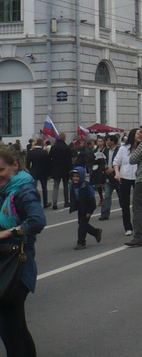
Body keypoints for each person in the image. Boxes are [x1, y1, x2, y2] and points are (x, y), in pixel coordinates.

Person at [0, 145, 46, 357]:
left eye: (1, 169)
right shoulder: (6, 190)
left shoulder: (23, 190)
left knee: (10, 333)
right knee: (17, 328)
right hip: (8, 264)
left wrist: (10, 232)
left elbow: (37, 220)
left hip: (18, 266)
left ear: (15, 165)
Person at [68, 166, 101, 250]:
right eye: (74, 176)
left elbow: (92, 201)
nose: (75, 178)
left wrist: (89, 212)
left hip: (87, 208)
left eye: (77, 176)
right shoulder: (73, 186)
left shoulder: (87, 186)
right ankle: (96, 232)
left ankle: (81, 242)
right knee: (82, 223)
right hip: (80, 208)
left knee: (82, 225)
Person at [113, 129, 139, 237]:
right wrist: (117, 173)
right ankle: (128, 227)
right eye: (138, 134)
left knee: (139, 201)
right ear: (133, 136)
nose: (140, 135)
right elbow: (116, 162)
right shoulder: (123, 149)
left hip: (138, 177)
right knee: (125, 203)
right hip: (125, 176)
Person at [98, 134, 120, 221]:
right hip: (108, 176)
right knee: (107, 195)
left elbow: (121, 162)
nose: (106, 142)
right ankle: (104, 214)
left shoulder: (119, 150)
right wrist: (104, 166)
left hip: (117, 175)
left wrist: (113, 170)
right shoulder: (106, 150)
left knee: (121, 195)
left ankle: (125, 211)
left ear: (113, 142)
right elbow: (102, 161)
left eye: (108, 140)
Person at [48, 132, 72, 209]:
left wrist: (51, 168)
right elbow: (69, 160)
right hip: (65, 169)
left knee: (56, 186)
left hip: (56, 169)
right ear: (64, 138)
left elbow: (50, 159)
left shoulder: (53, 147)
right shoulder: (67, 147)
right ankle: (66, 202)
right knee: (66, 186)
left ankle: (54, 203)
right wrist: (70, 169)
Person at [24, 139, 50, 208]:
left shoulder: (31, 152)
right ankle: (45, 202)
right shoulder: (44, 152)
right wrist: (48, 173)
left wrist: (30, 170)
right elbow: (48, 163)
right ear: (42, 143)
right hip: (43, 172)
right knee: (44, 188)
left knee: (33, 188)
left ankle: (34, 202)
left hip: (34, 172)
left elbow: (27, 163)